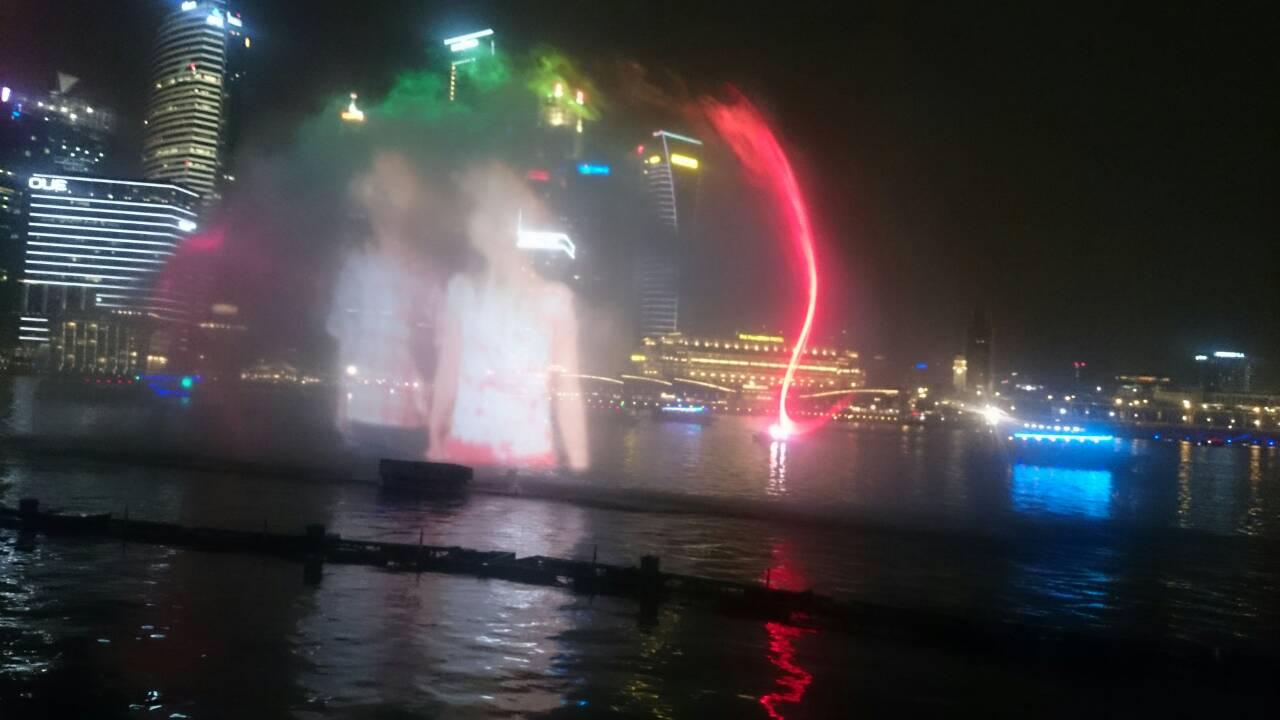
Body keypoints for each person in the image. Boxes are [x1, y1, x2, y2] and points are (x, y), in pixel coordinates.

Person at [428, 163, 588, 471]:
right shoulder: (462, 292)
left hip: (529, 459)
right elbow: (448, 371)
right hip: (463, 454)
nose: (488, 226)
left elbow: (568, 391)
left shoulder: (555, 300)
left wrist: (580, 465)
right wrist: (436, 435)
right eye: (481, 213)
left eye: (499, 214)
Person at [327, 153, 446, 458]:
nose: (386, 201)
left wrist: (435, 418)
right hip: (361, 417)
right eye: (380, 190)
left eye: (395, 190)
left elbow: (443, 350)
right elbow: (344, 343)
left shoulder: (427, 273)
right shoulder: (356, 267)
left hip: (410, 420)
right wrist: (341, 405)